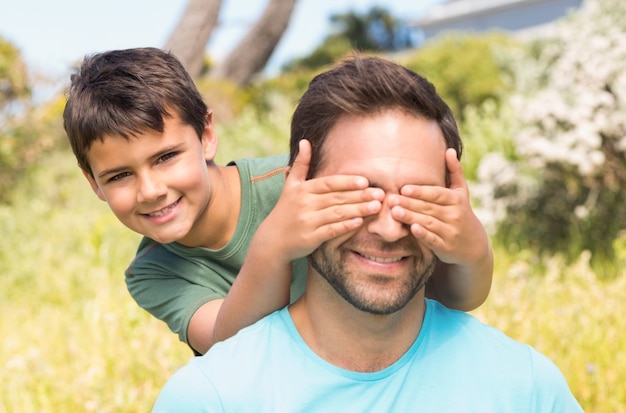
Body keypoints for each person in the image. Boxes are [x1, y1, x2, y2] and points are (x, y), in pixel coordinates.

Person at [150, 56, 586, 413]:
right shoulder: (208, 401)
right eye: (360, 193)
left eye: (417, 197)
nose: (388, 227)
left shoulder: (526, 389)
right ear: (293, 193)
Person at [63, 47, 493, 356]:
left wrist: (471, 246)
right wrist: (275, 245)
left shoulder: (294, 185)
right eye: (119, 175)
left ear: (207, 135)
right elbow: (227, 346)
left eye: (166, 157)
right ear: (93, 183)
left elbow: (452, 294)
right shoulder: (153, 272)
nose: (151, 189)